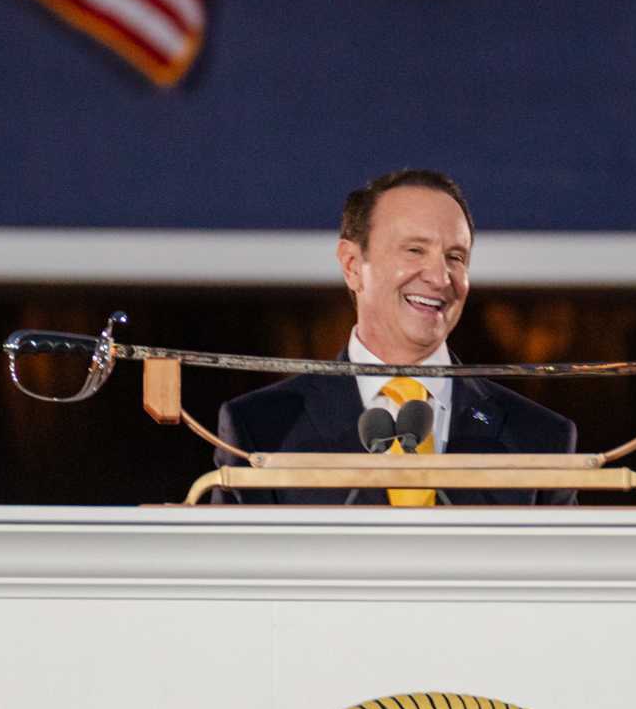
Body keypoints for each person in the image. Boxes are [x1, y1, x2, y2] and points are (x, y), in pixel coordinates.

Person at [215, 169, 578, 505]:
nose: (440, 277)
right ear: (353, 266)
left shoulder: (539, 438)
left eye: (456, 257)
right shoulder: (262, 429)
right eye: (415, 250)